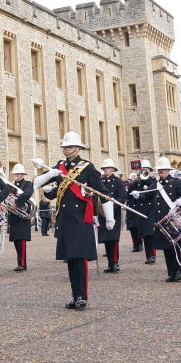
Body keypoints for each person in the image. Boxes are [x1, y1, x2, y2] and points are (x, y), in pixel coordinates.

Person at [33, 131, 114, 309]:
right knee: (70, 258)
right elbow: (37, 184)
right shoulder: (59, 167)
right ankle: (75, 295)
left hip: (80, 218)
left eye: (69, 147)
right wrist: (48, 176)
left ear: (78, 148)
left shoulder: (87, 167)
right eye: (64, 147)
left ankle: (82, 296)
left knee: (80, 258)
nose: (66, 150)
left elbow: (102, 192)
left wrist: (110, 217)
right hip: (64, 219)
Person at [152, 157, 181, 282]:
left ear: (168, 170)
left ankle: (178, 271)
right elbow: (147, 196)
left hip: (173, 219)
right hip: (161, 221)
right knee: (166, 248)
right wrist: (137, 194)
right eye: (159, 170)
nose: (161, 171)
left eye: (163, 169)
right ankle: (171, 272)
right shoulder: (155, 184)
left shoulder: (176, 182)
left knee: (176, 246)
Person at [97, 159, 125, 273]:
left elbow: (122, 197)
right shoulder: (100, 181)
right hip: (102, 213)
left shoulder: (118, 182)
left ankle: (115, 262)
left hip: (114, 214)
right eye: (104, 168)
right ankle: (110, 263)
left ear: (113, 169)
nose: (106, 170)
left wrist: (112, 205)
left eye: (108, 168)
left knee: (113, 239)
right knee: (106, 239)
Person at [127, 160, 158, 264]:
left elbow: (151, 191)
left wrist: (140, 195)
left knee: (150, 233)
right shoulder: (139, 181)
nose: (144, 171)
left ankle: (152, 255)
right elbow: (129, 191)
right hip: (140, 210)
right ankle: (148, 255)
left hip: (150, 209)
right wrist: (135, 181)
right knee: (144, 233)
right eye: (142, 169)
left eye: (146, 169)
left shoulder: (153, 180)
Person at [6, 163, 34, 271]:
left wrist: (16, 204)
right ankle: (20, 263)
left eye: (18, 173)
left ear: (23, 174)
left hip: (23, 216)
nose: (16, 175)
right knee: (16, 241)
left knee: (21, 240)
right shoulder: (11, 185)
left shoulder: (27, 184)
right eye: (15, 173)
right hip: (14, 216)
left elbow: (26, 194)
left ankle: (22, 264)